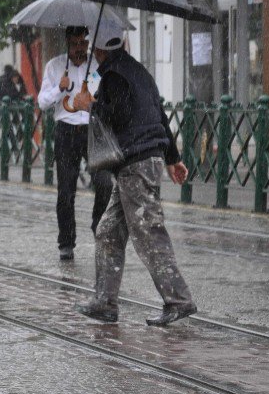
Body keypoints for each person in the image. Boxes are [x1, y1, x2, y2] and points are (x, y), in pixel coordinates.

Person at [71, 19, 196, 327]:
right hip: (139, 162)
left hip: (136, 164)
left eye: (93, 47)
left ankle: (178, 299)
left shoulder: (114, 77)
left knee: (148, 233)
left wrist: (91, 105)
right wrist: (172, 158)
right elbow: (159, 117)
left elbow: (120, 116)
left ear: (100, 49)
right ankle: (105, 302)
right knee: (108, 231)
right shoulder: (138, 72)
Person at [37, 26, 113, 261]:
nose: (80, 49)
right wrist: (60, 89)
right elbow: (42, 102)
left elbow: (105, 95)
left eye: (83, 44)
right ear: (67, 44)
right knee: (66, 191)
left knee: (104, 183)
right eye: (75, 44)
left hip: (91, 130)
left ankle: (98, 227)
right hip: (66, 132)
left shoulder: (96, 66)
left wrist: (97, 94)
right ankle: (66, 243)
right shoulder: (55, 66)